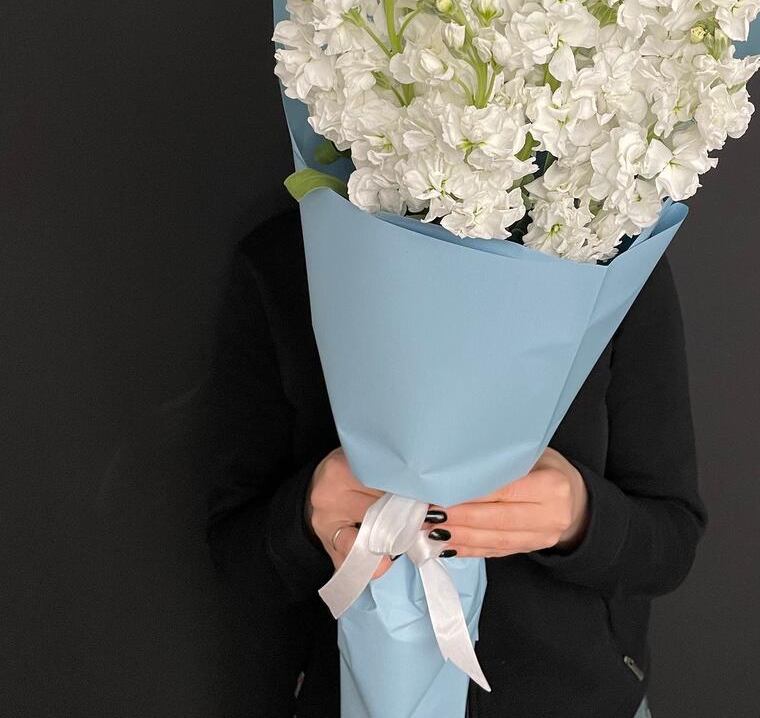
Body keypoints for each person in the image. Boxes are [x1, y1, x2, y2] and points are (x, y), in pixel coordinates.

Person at [206, 206, 706, 718]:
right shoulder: (293, 254)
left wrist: (581, 518)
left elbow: (672, 540)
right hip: (363, 694)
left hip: (583, 698)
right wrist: (308, 518)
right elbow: (235, 554)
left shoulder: (609, 250)